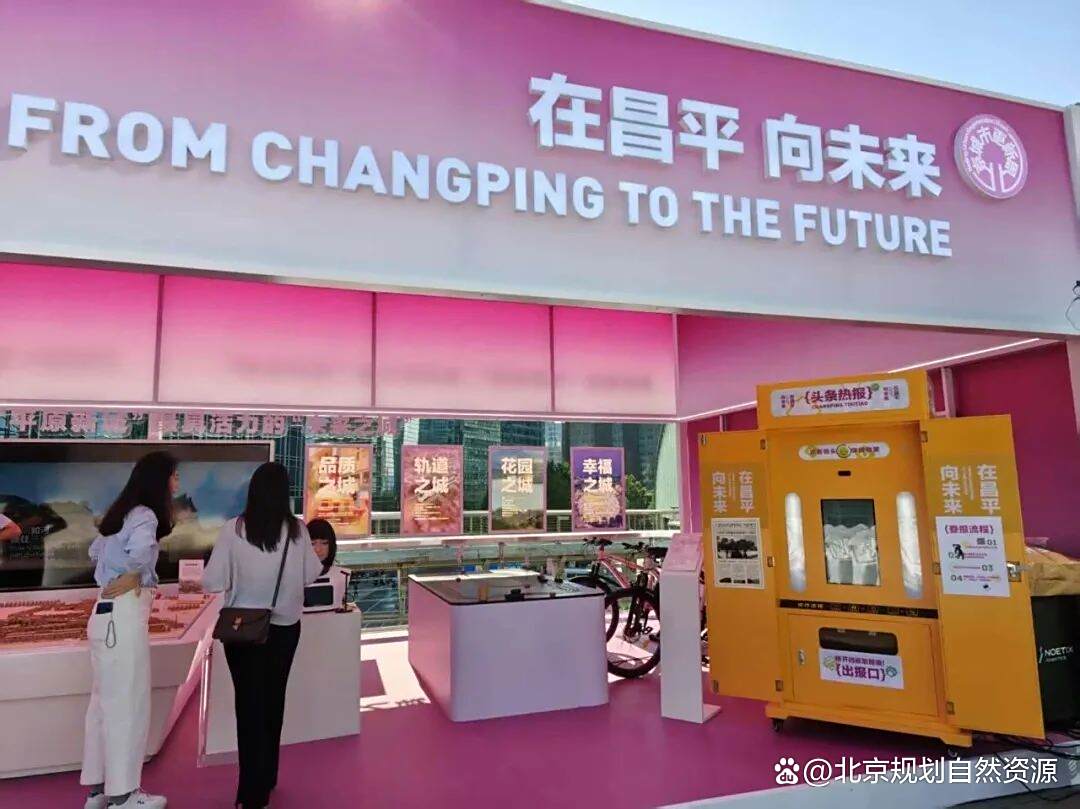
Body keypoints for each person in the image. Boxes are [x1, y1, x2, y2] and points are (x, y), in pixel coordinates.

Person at [203, 462, 321, 809]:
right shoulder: (297, 531)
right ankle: (267, 776)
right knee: (273, 701)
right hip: (285, 629)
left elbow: (212, 581)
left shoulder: (233, 530)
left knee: (248, 706)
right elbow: (311, 574)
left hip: (242, 631)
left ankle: (250, 793)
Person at [81, 451, 179, 809]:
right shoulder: (145, 515)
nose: (177, 483)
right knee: (127, 701)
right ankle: (124, 795)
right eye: (174, 476)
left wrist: (119, 572)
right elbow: (140, 552)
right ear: (159, 479)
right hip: (123, 616)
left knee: (103, 703)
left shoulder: (120, 513)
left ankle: (98, 791)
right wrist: (134, 573)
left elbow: (95, 552)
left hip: (103, 614)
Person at [305, 518, 351, 609]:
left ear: (331, 545)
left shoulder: (342, 575)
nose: (318, 549)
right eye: (312, 543)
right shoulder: (294, 575)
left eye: (324, 543)